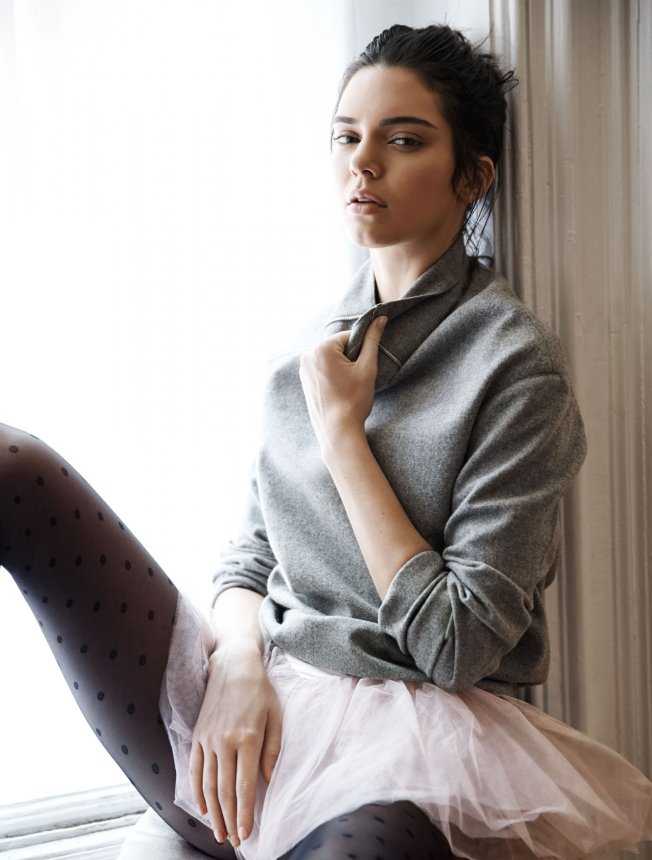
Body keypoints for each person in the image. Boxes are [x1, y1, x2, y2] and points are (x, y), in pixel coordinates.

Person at [2, 22, 652, 860]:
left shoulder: (515, 366)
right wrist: (239, 664)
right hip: (257, 707)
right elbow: (250, 556)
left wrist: (345, 437)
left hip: (415, 743)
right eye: (347, 137)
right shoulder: (310, 351)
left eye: (404, 140)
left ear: (473, 177)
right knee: (16, 468)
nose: (363, 162)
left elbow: (457, 645)